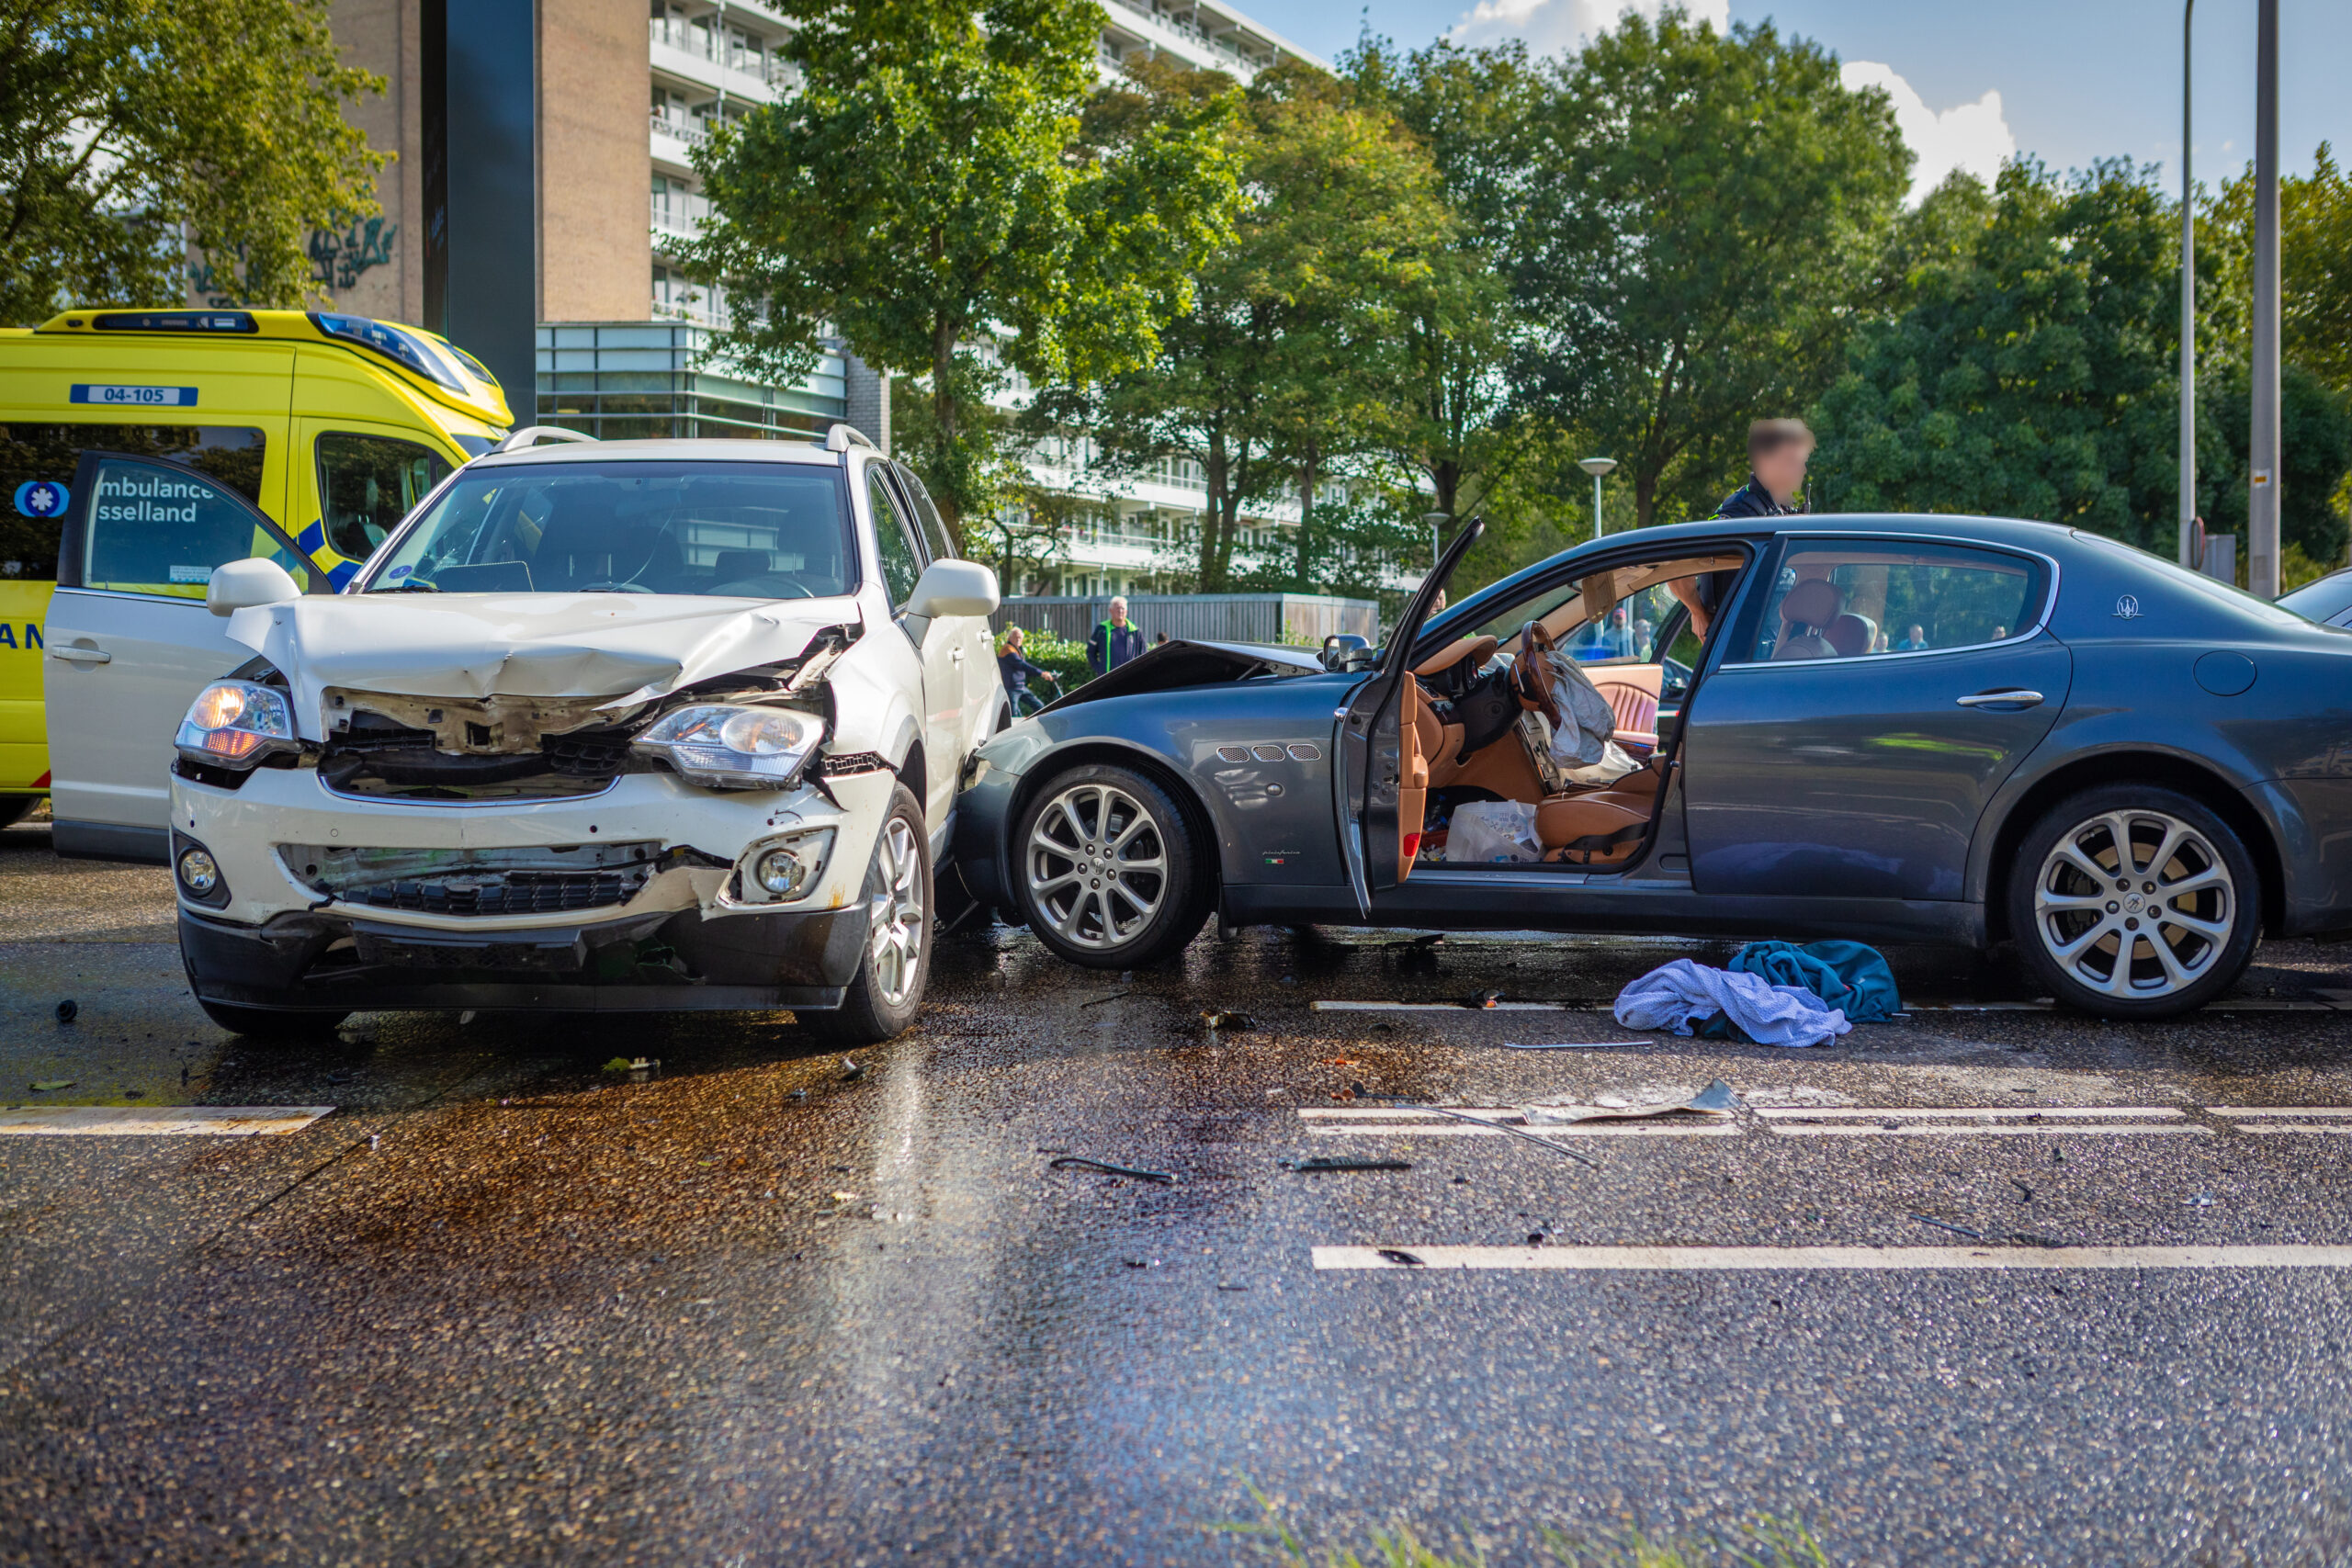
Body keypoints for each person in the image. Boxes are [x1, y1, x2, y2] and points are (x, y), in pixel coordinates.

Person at [1713, 419, 1815, 519]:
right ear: (1764, 462)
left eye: (1803, 462)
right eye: (1792, 461)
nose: (1803, 470)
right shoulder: (1739, 513)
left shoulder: (1778, 507)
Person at [997, 626, 1057, 714]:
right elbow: (1022, 665)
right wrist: (1041, 673)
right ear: (1009, 638)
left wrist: (1042, 672)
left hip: (1020, 686)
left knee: (1039, 706)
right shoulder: (1007, 649)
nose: (1018, 639)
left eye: (1020, 638)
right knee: (1013, 714)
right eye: (1016, 637)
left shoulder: (1016, 649)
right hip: (1011, 688)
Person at [1089, 595, 1145, 676]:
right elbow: (1091, 652)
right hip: (1108, 678)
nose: (1120, 611)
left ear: (1126, 611)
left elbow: (1143, 654)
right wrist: (1099, 669)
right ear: (1110, 610)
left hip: (1130, 677)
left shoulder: (1135, 631)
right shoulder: (1101, 629)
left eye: (1122, 608)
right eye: (1117, 608)